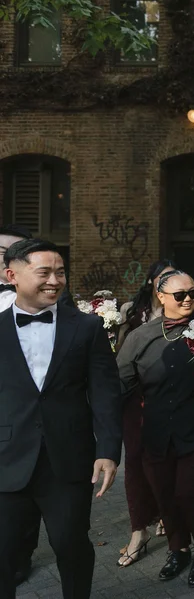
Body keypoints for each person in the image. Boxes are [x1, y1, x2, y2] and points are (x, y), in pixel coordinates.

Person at [0, 238, 122, 599]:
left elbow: (105, 392)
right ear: (12, 276)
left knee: (71, 544)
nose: (55, 280)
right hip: (6, 458)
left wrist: (108, 450)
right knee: (3, 551)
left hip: (68, 458)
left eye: (61, 272)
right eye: (44, 272)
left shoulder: (86, 327)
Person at [117, 270, 194, 587]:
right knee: (165, 494)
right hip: (157, 432)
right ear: (161, 297)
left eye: (193, 293)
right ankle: (179, 549)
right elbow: (120, 383)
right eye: (180, 294)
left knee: (193, 493)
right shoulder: (139, 337)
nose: (188, 299)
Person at [116, 259, 177, 568]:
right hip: (134, 397)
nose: (167, 282)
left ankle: (167, 514)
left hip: (168, 398)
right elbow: (118, 351)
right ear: (152, 281)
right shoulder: (132, 310)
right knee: (135, 462)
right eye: (162, 277)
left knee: (166, 459)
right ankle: (138, 530)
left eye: (173, 277)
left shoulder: (183, 312)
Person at [0, 225, 40, 586]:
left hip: (24, 415)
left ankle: (20, 555)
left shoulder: (45, 302)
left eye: (10, 253)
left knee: (24, 489)